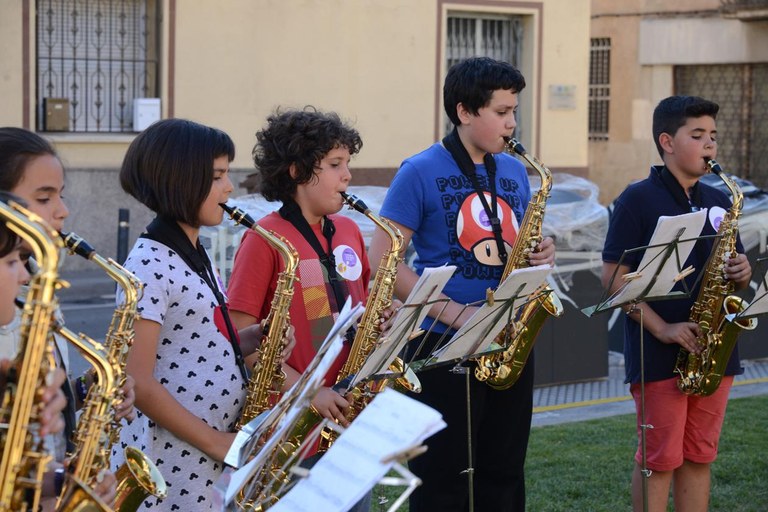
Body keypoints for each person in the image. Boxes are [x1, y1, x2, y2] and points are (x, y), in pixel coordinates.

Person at [368, 57, 555, 512]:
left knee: (504, 474)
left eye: (514, 112)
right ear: (465, 111)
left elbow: (512, 242)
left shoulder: (513, 171)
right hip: (441, 343)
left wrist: (541, 253)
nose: (512, 124)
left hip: (507, 338)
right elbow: (382, 263)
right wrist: (459, 316)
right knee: (442, 482)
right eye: (501, 112)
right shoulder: (419, 170)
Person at [601, 95, 752, 512]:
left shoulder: (721, 200)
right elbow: (612, 280)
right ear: (667, 142)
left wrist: (742, 272)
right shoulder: (636, 199)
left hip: (712, 351)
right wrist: (663, 328)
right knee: (659, 460)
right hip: (657, 353)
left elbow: (734, 272)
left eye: (713, 136)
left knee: (700, 456)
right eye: (697, 135)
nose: (710, 144)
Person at [226, 108, 372, 510]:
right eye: (335, 165)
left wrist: (379, 318)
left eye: (347, 164)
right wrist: (309, 392)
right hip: (293, 429)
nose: (347, 176)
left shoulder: (348, 230)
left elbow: (329, 314)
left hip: (349, 415)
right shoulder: (266, 239)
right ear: (297, 171)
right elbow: (240, 341)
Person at [117, 118, 268, 510]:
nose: (229, 187)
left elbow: (189, 340)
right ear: (180, 181)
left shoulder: (194, 253)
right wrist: (216, 442)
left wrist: (249, 340)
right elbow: (137, 379)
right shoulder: (149, 263)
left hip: (201, 460)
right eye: (217, 176)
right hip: (173, 463)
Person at [0, 127, 123, 507]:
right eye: (44, 197)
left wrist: (84, 391)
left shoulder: (36, 282)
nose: (62, 211)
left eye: (60, 195)